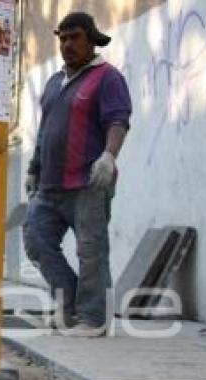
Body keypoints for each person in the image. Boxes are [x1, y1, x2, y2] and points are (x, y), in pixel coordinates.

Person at [23, 12, 132, 338]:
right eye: (63, 38)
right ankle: (70, 305)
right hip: (50, 185)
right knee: (36, 241)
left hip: (88, 184)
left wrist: (109, 156)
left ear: (91, 40)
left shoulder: (106, 77)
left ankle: (93, 318)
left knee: (91, 250)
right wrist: (34, 167)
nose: (67, 44)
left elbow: (118, 120)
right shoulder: (55, 82)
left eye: (75, 37)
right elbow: (46, 129)